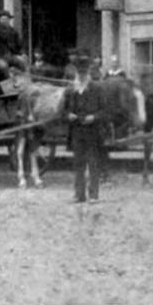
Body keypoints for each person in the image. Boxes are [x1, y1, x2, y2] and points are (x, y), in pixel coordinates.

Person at [60, 52, 106, 203]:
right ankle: (79, 195)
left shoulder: (97, 89)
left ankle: (93, 195)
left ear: (88, 74)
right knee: (78, 163)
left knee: (93, 163)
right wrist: (69, 116)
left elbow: (105, 111)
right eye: (79, 73)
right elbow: (64, 110)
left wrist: (94, 117)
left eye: (84, 73)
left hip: (92, 131)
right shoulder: (70, 91)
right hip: (76, 131)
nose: (81, 76)